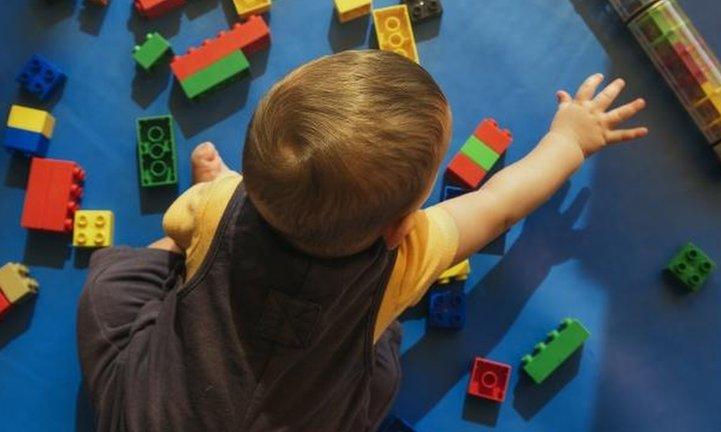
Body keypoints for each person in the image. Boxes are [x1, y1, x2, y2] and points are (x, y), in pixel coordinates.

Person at [77, 50, 647, 431]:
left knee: (111, 288)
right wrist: (570, 140)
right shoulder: (406, 257)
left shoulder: (220, 204)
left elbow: (184, 226)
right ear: (399, 227)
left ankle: (192, 254)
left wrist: (213, 205)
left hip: (149, 416)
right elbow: (497, 208)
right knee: (374, 374)